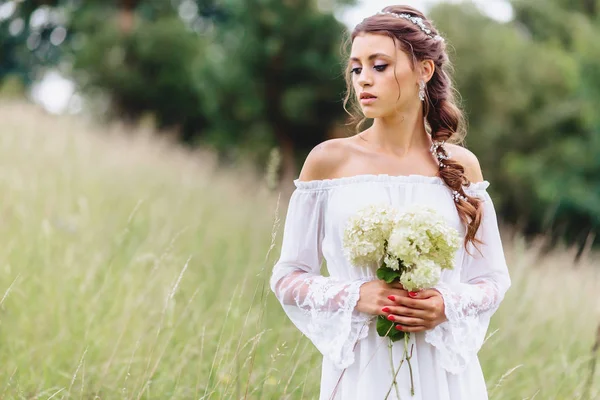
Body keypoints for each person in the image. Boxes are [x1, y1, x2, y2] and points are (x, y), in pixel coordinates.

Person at [269, 5, 511, 400]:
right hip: (364, 369)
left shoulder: (460, 166)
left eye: (379, 66)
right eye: (356, 68)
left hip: (443, 372)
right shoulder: (329, 161)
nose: (363, 79)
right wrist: (355, 294)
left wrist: (445, 303)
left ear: (424, 71)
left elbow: (492, 279)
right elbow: (288, 276)